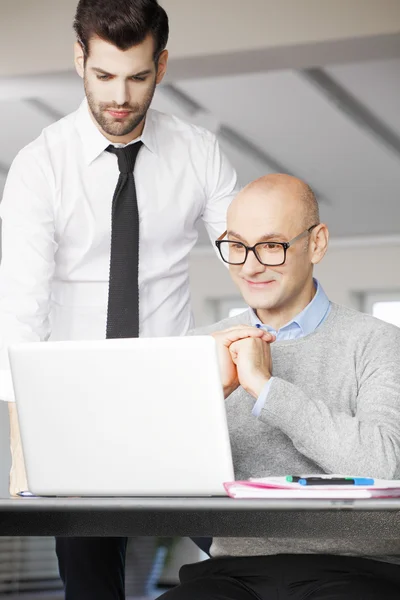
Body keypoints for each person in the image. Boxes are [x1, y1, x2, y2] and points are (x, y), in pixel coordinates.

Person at [0, 0, 238, 597]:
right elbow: (19, 312)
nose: (120, 97)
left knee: (248, 550)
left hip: (175, 406)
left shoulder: (198, 154)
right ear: (79, 58)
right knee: (90, 588)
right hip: (75, 415)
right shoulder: (40, 167)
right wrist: (26, 455)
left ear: (161, 64)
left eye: (137, 76)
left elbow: (250, 253)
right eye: (103, 75)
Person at [158, 173, 400, 600]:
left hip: (359, 572)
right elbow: (156, 478)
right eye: (236, 246)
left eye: (271, 245)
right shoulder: (200, 348)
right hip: (232, 573)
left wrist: (264, 387)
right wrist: (206, 397)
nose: (250, 265)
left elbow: (380, 466)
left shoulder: (378, 342)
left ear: (317, 243)